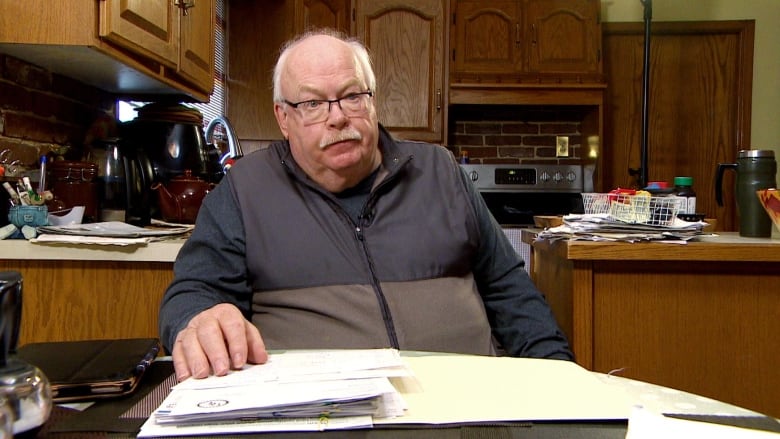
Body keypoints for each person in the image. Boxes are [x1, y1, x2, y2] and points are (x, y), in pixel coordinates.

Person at [159, 29, 573, 382]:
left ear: (372, 102)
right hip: (321, 414)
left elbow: (508, 289)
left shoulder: (439, 170)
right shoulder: (244, 190)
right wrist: (197, 320)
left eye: (351, 96)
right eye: (313, 104)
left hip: (470, 404)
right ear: (283, 118)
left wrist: (560, 372)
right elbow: (193, 292)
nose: (337, 118)